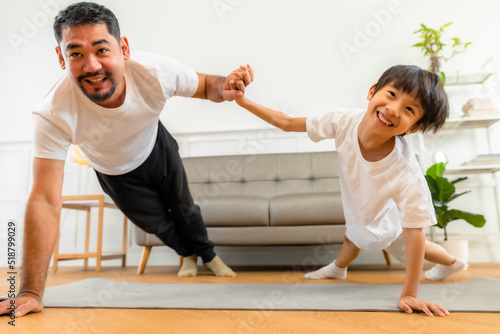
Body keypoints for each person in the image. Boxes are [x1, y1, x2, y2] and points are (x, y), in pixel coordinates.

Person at [0, 2, 253, 318]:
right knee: (157, 223)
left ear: (124, 48)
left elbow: (206, 85)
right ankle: (188, 254)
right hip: (114, 172)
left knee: (185, 206)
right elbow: (44, 199)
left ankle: (210, 257)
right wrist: (30, 292)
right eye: (75, 54)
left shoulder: (155, 72)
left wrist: (225, 86)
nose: (92, 66)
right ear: (61, 58)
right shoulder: (53, 113)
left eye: (101, 50)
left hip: (157, 147)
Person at [232, 64, 466, 316]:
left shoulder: (405, 172)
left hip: (390, 221)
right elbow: (287, 123)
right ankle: (338, 268)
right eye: (391, 95)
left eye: (409, 109)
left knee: (403, 244)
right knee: (353, 234)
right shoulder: (343, 121)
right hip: (360, 203)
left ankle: (452, 262)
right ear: (372, 91)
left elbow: (415, 233)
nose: (393, 109)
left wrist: (409, 294)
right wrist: (243, 101)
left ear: (413, 128)